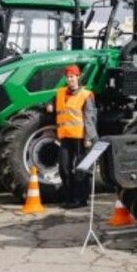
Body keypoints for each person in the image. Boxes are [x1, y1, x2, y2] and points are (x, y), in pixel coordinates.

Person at [46, 64, 97, 209]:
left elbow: (89, 118)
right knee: (64, 169)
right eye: (68, 77)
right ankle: (69, 198)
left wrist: (88, 137)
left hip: (81, 138)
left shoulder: (86, 95)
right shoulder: (60, 92)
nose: (70, 79)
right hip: (65, 137)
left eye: (72, 77)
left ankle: (81, 199)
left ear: (78, 77)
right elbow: (50, 100)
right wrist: (49, 104)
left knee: (81, 169)